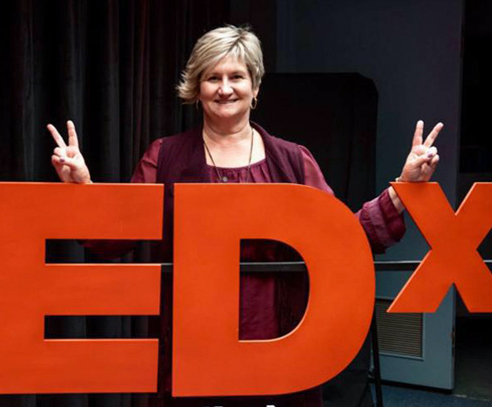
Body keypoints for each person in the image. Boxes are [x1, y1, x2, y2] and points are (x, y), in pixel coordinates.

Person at [46, 25, 442, 407]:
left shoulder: (292, 160)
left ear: (254, 86)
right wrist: (84, 187)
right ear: (196, 88)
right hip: (193, 342)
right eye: (211, 77)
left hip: (281, 339)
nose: (224, 88)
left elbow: (342, 239)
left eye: (236, 76)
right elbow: (115, 235)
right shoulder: (163, 157)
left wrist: (402, 188)